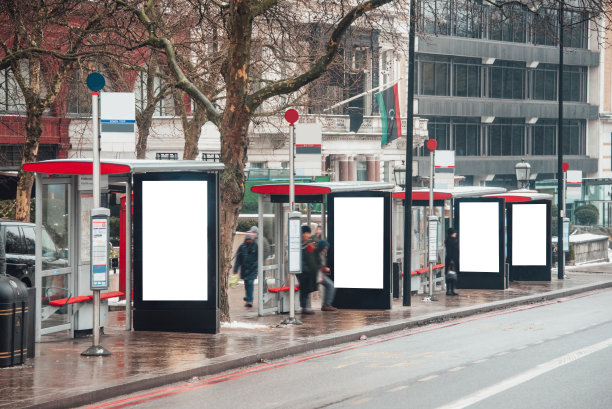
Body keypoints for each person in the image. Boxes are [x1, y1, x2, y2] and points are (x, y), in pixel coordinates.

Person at [297, 225, 318, 314]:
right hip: (303, 271)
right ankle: (304, 307)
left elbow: (313, 256)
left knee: (307, 290)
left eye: (308, 233)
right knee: (304, 289)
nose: (308, 235)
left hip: (309, 271)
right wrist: (305, 269)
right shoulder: (300, 245)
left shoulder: (309, 244)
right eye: (306, 233)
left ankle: (305, 307)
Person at [233, 233, 258, 307]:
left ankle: (250, 300)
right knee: (247, 284)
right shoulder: (242, 247)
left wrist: (255, 265)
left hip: (253, 269)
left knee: (250, 283)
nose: (248, 241)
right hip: (244, 269)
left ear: (252, 240)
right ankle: (248, 298)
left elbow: (258, 257)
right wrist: (235, 269)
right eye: (247, 239)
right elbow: (238, 259)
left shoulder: (256, 246)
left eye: (249, 239)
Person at [316, 240, 337, 311]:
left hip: (319, 274)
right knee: (331, 285)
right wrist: (324, 269)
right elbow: (315, 265)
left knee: (330, 285)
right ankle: (326, 304)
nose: (325, 250)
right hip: (316, 275)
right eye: (325, 248)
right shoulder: (316, 253)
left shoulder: (321, 254)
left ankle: (326, 304)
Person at [445, 227, 459, 296]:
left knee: (453, 276)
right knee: (449, 275)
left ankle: (452, 290)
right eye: (454, 233)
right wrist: (451, 261)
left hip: (454, 260)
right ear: (451, 234)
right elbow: (449, 252)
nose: (455, 234)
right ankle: (448, 290)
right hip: (450, 261)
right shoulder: (450, 241)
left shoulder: (454, 240)